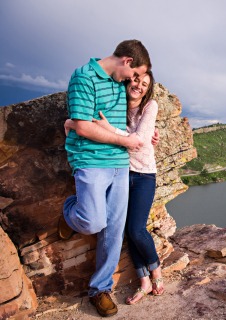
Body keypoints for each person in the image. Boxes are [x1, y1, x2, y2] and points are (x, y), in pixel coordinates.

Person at [59, 39, 151, 317]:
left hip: (120, 165)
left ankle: (100, 289)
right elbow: (84, 127)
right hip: (90, 161)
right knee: (92, 221)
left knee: (113, 229)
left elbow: (130, 114)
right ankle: (69, 211)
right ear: (126, 61)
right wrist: (123, 141)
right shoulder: (83, 77)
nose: (134, 81)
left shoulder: (118, 83)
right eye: (135, 74)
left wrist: (146, 135)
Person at [66, 70, 164, 305]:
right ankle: (144, 282)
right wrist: (72, 122)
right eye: (136, 79)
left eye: (145, 83)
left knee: (137, 229)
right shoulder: (117, 102)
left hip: (143, 175)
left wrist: (109, 129)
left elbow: (138, 141)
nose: (139, 85)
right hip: (120, 173)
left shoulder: (150, 106)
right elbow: (87, 124)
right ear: (129, 79)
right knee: (124, 230)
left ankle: (157, 273)